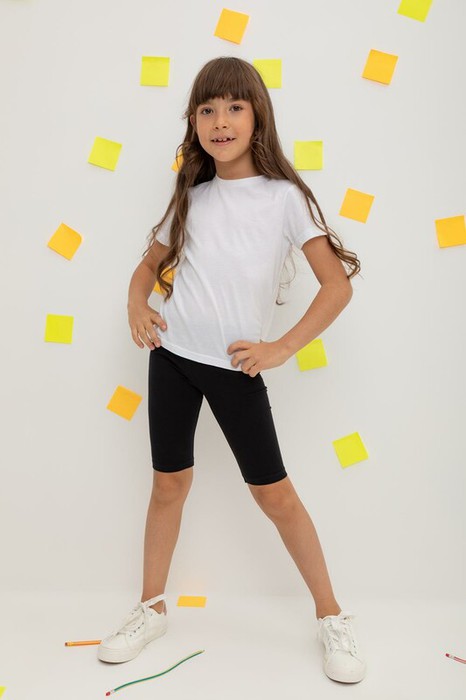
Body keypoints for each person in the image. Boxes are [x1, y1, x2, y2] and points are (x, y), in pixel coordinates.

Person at [97, 56, 367, 684]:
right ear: (194, 122)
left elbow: (336, 286)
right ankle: (151, 607)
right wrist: (138, 304)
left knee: (275, 495)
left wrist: (281, 347)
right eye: (207, 109)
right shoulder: (191, 198)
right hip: (172, 359)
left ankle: (331, 615)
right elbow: (147, 268)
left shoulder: (285, 199)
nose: (220, 121)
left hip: (235, 368)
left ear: (257, 117)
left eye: (234, 107)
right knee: (168, 484)